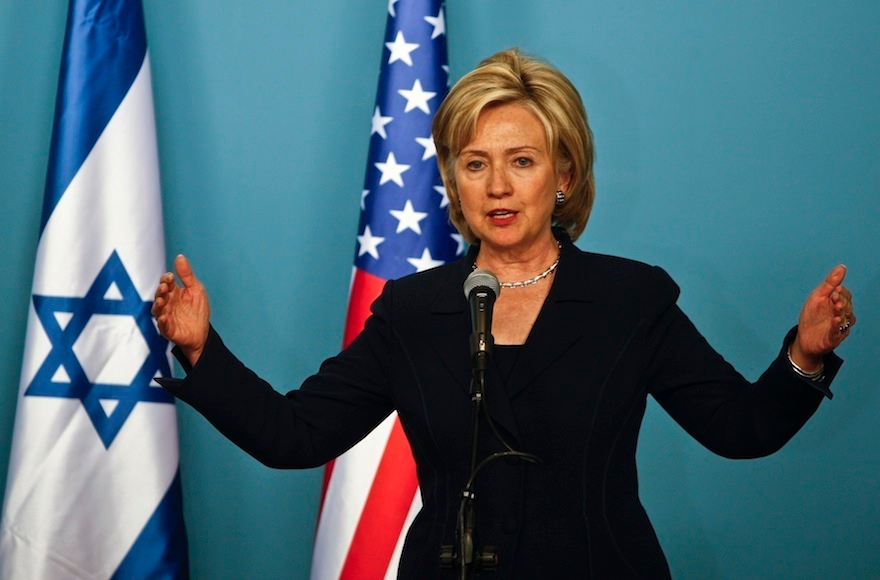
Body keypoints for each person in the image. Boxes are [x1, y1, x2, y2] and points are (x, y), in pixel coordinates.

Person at [152, 49, 856, 578]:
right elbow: (294, 435)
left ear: (565, 176)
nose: (497, 186)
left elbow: (738, 428)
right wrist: (200, 348)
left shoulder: (630, 300)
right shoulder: (413, 310)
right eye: (474, 163)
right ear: (453, 179)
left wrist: (806, 356)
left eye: (521, 161)